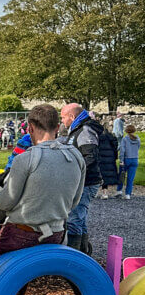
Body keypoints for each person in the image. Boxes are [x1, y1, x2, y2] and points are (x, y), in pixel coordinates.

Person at [0, 104, 85, 275]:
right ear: (57, 127)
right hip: (56, 235)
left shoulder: (25, 159)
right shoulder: (77, 157)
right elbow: (74, 201)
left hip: (21, 234)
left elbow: (6, 202)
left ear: (30, 128)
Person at [61, 103, 103, 254]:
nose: (62, 121)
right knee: (80, 218)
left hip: (86, 182)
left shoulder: (85, 130)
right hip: (83, 181)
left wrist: (74, 172)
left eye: (63, 118)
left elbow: (90, 157)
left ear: (72, 117)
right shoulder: (77, 130)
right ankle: (84, 252)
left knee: (74, 218)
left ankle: (73, 256)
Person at [96, 127, 121, 199]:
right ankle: (105, 193)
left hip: (101, 159)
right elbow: (115, 149)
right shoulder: (112, 138)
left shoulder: (99, 138)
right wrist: (115, 157)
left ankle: (97, 192)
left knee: (100, 176)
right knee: (106, 177)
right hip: (110, 159)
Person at [119, 124, 139, 200]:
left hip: (126, 159)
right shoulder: (138, 139)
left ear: (126, 131)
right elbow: (138, 147)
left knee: (121, 175)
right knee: (130, 178)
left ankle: (119, 190)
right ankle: (128, 194)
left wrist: (121, 160)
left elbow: (122, 150)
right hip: (135, 159)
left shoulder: (125, 139)